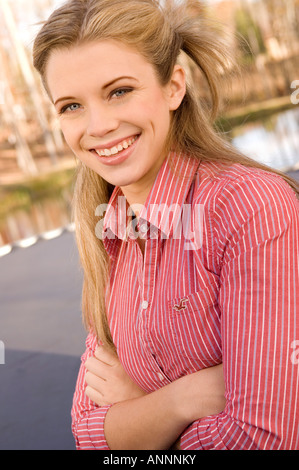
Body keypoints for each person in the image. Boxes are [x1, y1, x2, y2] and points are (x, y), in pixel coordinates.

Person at [33, 0, 299, 450]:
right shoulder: (109, 231)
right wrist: (179, 400)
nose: (98, 124)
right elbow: (87, 432)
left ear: (174, 86)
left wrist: (137, 410)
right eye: (71, 105)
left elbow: (263, 438)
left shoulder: (251, 207)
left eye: (119, 91)